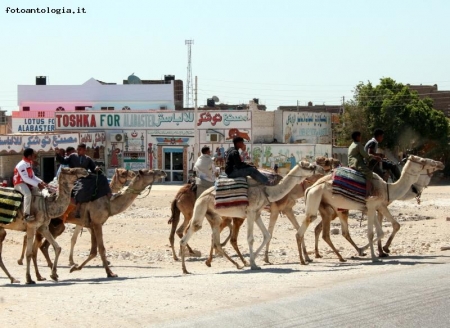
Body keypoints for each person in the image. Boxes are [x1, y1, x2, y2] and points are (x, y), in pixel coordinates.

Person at [13, 148, 48, 222]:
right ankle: (26, 215)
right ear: (29, 156)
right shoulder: (21, 165)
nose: (34, 155)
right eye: (33, 154)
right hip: (19, 183)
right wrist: (37, 184)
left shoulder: (28, 163)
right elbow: (25, 178)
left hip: (26, 183)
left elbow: (32, 176)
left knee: (40, 192)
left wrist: (41, 182)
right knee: (28, 194)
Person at [348, 131, 381, 198]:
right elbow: (365, 155)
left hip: (351, 163)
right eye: (360, 136)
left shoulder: (352, 144)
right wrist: (375, 157)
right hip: (356, 163)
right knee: (369, 173)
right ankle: (368, 194)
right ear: (357, 137)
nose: (361, 138)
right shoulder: (358, 145)